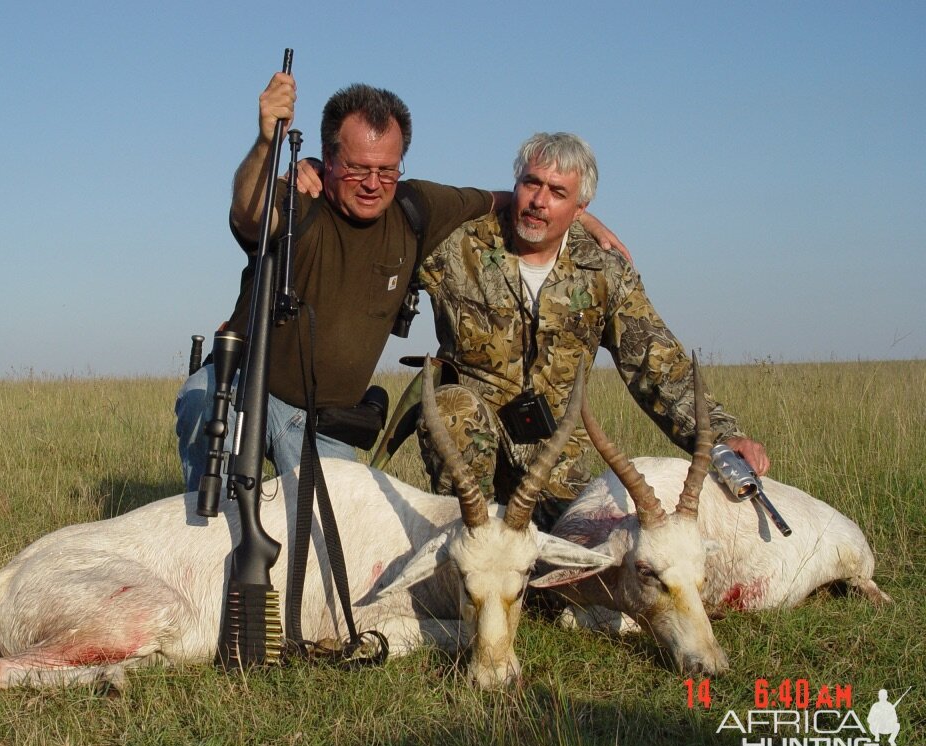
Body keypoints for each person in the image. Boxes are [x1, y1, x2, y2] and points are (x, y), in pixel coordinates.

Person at [175, 73, 630, 491]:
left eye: (388, 169)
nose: (374, 183)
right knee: (205, 434)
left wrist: (579, 217)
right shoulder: (300, 196)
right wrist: (265, 142)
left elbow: (507, 199)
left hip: (322, 423)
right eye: (357, 168)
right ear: (327, 158)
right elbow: (250, 214)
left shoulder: (416, 209)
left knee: (338, 550)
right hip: (242, 390)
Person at [417, 131, 768, 530]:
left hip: (556, 463)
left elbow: (658, 367)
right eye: (531, 183)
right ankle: (466, 554)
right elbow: (394, 221)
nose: (539, 201)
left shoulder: (605, 270)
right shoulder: (458, 243)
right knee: (450, 410)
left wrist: (724, 437)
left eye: (557, 192)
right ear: (515, 185)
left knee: (594, 556)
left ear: (580, 206)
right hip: (472, 460)